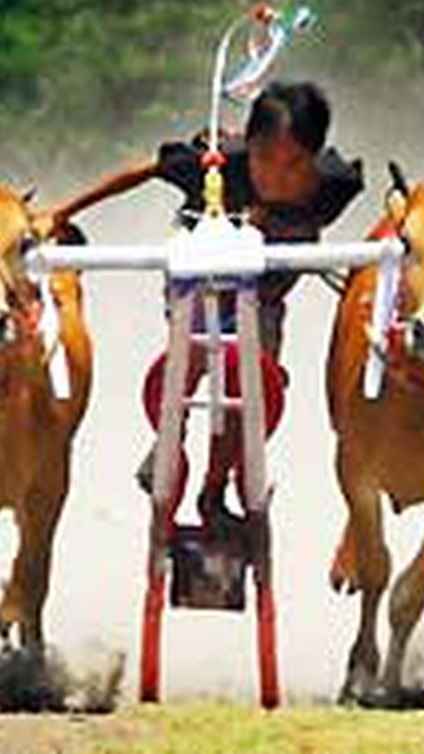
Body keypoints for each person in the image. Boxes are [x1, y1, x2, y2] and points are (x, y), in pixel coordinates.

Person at [44, 80, 364, 522]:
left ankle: (216, 489)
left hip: (265, 300)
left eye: (293, 164)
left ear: (313, 159)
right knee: (189, 359)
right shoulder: (217, 167)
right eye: (264, 159)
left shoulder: (333, 186)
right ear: (248, 147)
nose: (276, 175)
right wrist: (63, 213)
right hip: (199, 286)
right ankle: (168, 441)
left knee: (253, 389)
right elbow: (146, 170)